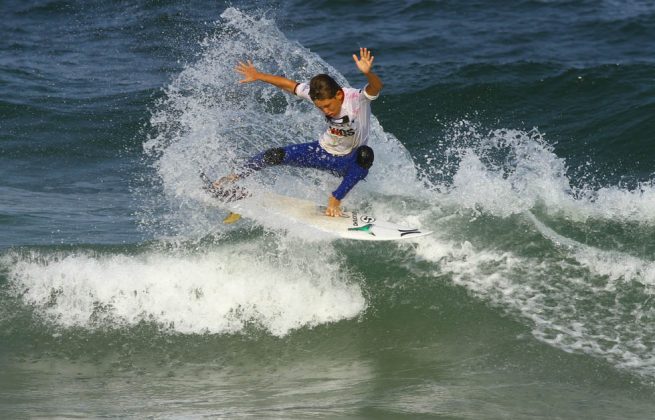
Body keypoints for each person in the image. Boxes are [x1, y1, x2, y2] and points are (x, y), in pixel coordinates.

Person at [214, 47, 383, 217]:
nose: (326, 111)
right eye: (320, 107)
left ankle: (335, 199)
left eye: (328, 106)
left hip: (348, 161)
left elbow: (376, 87)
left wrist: (368, 73)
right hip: (321, 152)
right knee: (274, 155)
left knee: (365, 154)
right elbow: (291, 85)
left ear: (339, 95)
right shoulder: (317, 94)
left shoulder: (356, 99)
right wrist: (258, 76)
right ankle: (232, 179)